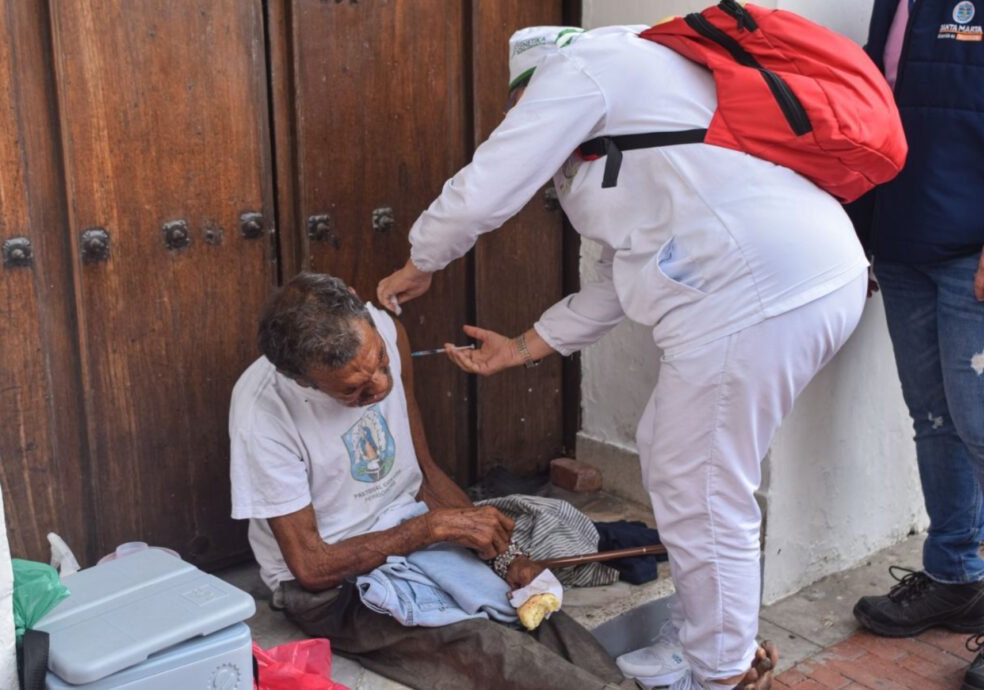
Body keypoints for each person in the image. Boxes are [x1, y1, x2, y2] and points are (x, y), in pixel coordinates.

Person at [377, 24, 869, 690]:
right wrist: (519, 348)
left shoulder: (583, 67)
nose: (517, 120)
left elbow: (488, 186)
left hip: (760, 289)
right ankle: (695, 641)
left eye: (516, 107)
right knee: (673, 455)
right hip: (787, 282)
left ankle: (720, 671)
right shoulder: (634, 117)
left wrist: (422, 260)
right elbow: (617, 277)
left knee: (703, 484)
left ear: (530, 84)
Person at [228, 271, 636, 690]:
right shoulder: (263, 413)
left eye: (382, 364)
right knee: (482, 645)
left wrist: (503, 555)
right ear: (302, 380)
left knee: (527, 604)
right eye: (354, 391)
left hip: (413, 534)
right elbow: (312, 567)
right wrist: (428, 528)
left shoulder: (385, 327)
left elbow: (421, 471)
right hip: (335, 587)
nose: (381, 387)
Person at [849, 2, 984, 688]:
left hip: (972, 256)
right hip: (901, 246)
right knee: (934, 421)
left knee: (982, 427)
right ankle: (955, 577)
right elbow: (875, 113)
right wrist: (856, 238)